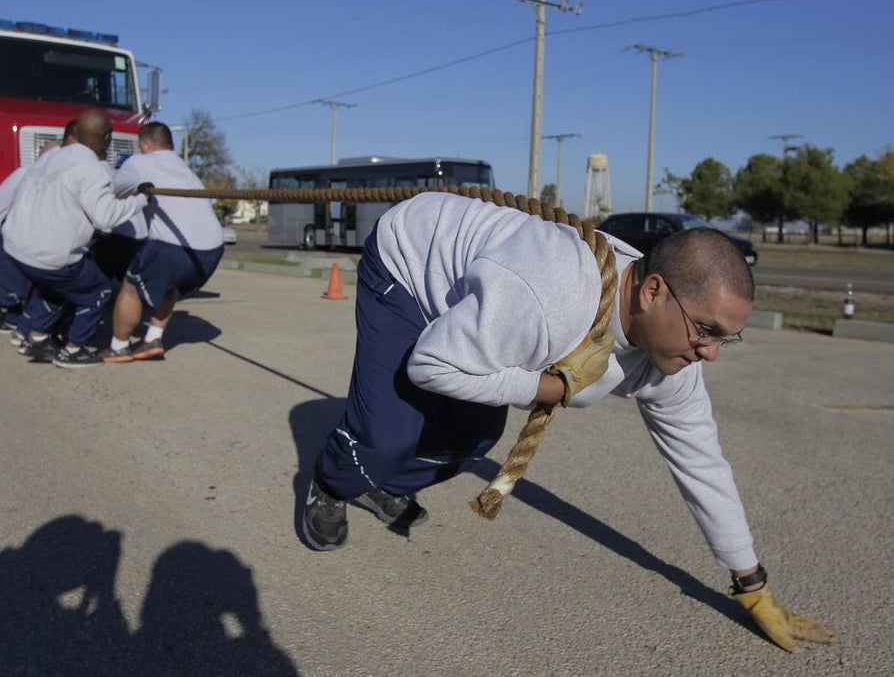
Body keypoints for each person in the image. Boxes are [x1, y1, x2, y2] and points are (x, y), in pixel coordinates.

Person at [303, 191, 835, 653]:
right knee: (387, 434)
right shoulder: (550, 297)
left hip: (487, 291)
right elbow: (431, 363)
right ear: (652, 291)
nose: (711, 353)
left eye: (726, 338)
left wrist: (751, 583)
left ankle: (379, 482)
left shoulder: (674, 355)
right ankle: (332, 484)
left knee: (475, 436)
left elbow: (700, 459)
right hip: (410, 259)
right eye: (706, 330)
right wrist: (547, 387)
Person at [2, 109, 149, 369]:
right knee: (98, 291)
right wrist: (141, 199)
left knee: (55, 288)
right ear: (106, 138)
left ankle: (37, 338)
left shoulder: (52, 157)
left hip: (17, 247)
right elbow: (106, 218)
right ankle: (72, 350)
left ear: (76, 134)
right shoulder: (93, 170)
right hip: (51, 256)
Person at [103, 121, 224, 363]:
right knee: (171, 284)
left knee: (130, 288)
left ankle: (119, 347)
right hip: (213, 248)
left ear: (145, 145)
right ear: (171, 144)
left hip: (173, 245)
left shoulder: (139, 162)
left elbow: (111, 192)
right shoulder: (184, 167)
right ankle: (153, 339)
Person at [0, 120, 79, 343]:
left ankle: (16, 320)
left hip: (13, 236)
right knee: (20, 289)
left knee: (32, 285)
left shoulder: (37, 174)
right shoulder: (30, 175)